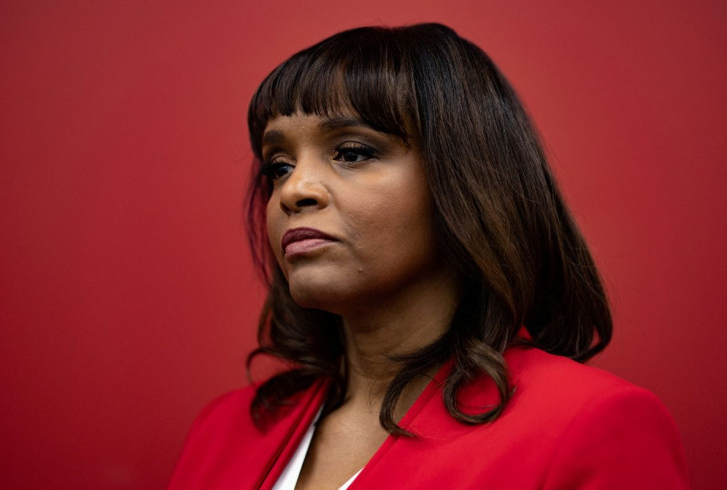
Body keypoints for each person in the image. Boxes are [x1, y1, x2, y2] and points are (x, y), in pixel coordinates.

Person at [169, 23, 688, 489]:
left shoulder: (589, 425)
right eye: (278, 165)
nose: (294, 190)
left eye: (352, 152)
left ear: (466, 181)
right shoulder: (224, 429)